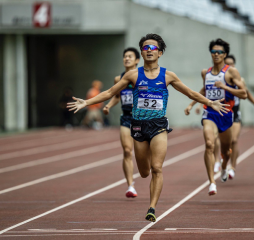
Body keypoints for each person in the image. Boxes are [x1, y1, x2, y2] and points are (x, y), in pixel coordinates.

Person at [67, 33, 229, 222]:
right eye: (145, 48)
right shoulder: (133, 75)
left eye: (152, 48)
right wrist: (86, 102)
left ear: (160, 53)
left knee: (157, 168)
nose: (148, 51)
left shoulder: (168, 75)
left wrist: (211, 103)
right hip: (138, 126)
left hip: (158, 125)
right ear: (142, 53)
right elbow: (111, 92)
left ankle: (152, 208)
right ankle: (147, 161)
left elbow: (190, 92)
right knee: (144, 172)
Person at [184, 39, 247, 196]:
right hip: (210, 113)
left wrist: (225, 86)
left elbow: (244, 93)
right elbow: (204, 90)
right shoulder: (205, 73)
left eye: (219, 52)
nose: (216, 54)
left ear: (225, 54)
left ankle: (224, 167)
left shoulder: (231, 72)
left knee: (226, 152)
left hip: (226, 114)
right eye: (213, 52)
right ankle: (211, 182)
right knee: (210, 145)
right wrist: (192, 105)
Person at [102, 47, 140, 198]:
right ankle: (130, 186)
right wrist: (108, 105)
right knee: (126, 150)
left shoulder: (141, 77)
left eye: (130, 56)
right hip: (126, 117)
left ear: (137, 60)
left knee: (142, 153)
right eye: (125, 56)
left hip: (141, 118)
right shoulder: (119, 79)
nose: (127, 59)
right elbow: (117, 95)